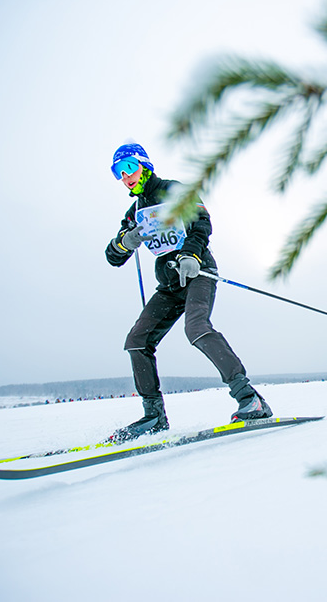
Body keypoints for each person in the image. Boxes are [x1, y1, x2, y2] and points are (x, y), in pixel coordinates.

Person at [105, 142, 272, 441]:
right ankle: (154, 416)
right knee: (137, 340)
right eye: (118, 171)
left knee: (195, 327)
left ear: (145, 165)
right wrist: (126, 241)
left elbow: (201, 223)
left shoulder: (173, 190)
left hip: (197, 272)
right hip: (169, 285)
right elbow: (113, 256)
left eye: (130, 166)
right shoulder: (135, 212)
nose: (125, 175)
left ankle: (250, 398)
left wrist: (191, 255)